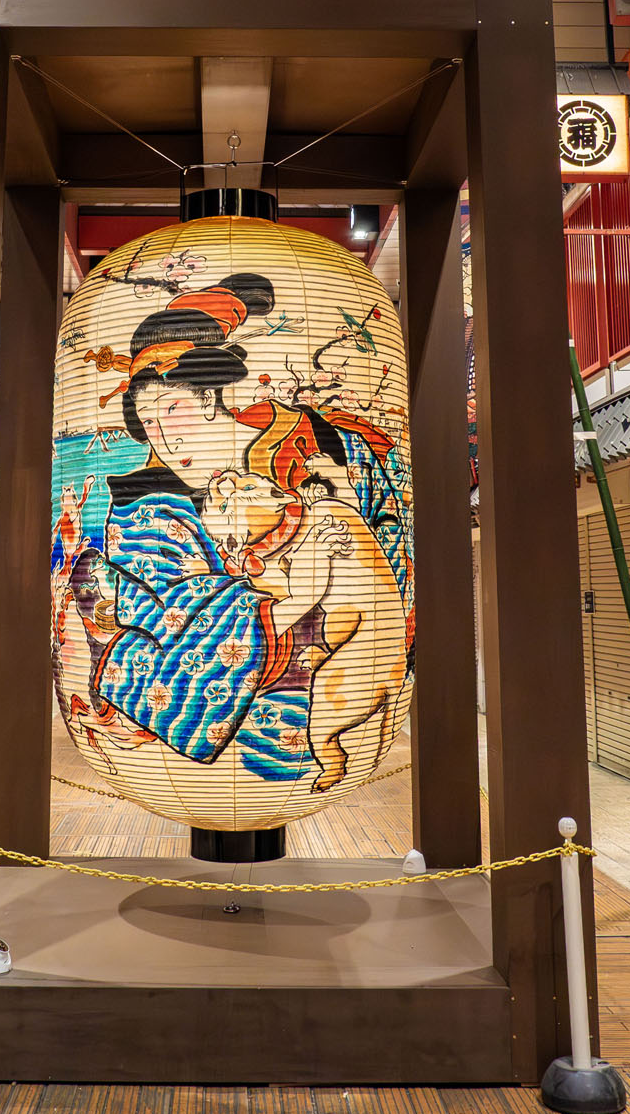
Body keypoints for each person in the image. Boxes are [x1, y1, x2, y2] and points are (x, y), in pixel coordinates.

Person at [87, 274, 413, 786]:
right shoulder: (145, 500)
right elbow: (155, 600)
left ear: (212, 394)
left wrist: (341, 511)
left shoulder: (304, 436)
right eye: (149, 423)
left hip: (350, 636)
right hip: (262, 653)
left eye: (174, 409)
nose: (166, 437)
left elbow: (380, 523)